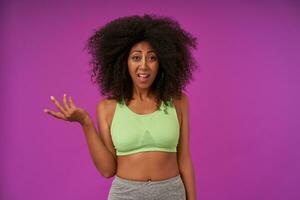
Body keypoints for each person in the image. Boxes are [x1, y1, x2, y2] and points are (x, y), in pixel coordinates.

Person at [44, 14, 198, 200]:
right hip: (125, 194)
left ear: (162, 62)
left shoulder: (178, 102)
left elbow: (184, 159)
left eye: (152, 58)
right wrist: (85, 123)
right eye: (136, 57)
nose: (143, 66)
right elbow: (108, 170)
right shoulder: (108, 108)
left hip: (171, 193)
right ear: (123, 63)